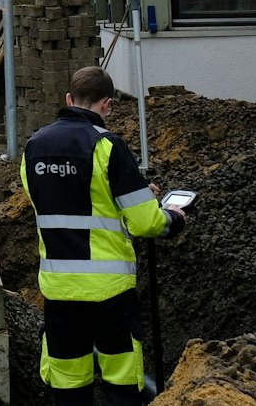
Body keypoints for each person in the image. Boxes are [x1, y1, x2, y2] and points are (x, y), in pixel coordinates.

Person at [22, 66, 190, 404]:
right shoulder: (108, 146)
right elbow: (145, 223)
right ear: (107, 105)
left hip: (60, 291)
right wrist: (173, 218)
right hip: (110, 294)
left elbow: (55, 203)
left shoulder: (34, 146)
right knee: (122, 383)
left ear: (69, 99)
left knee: (67, 382)